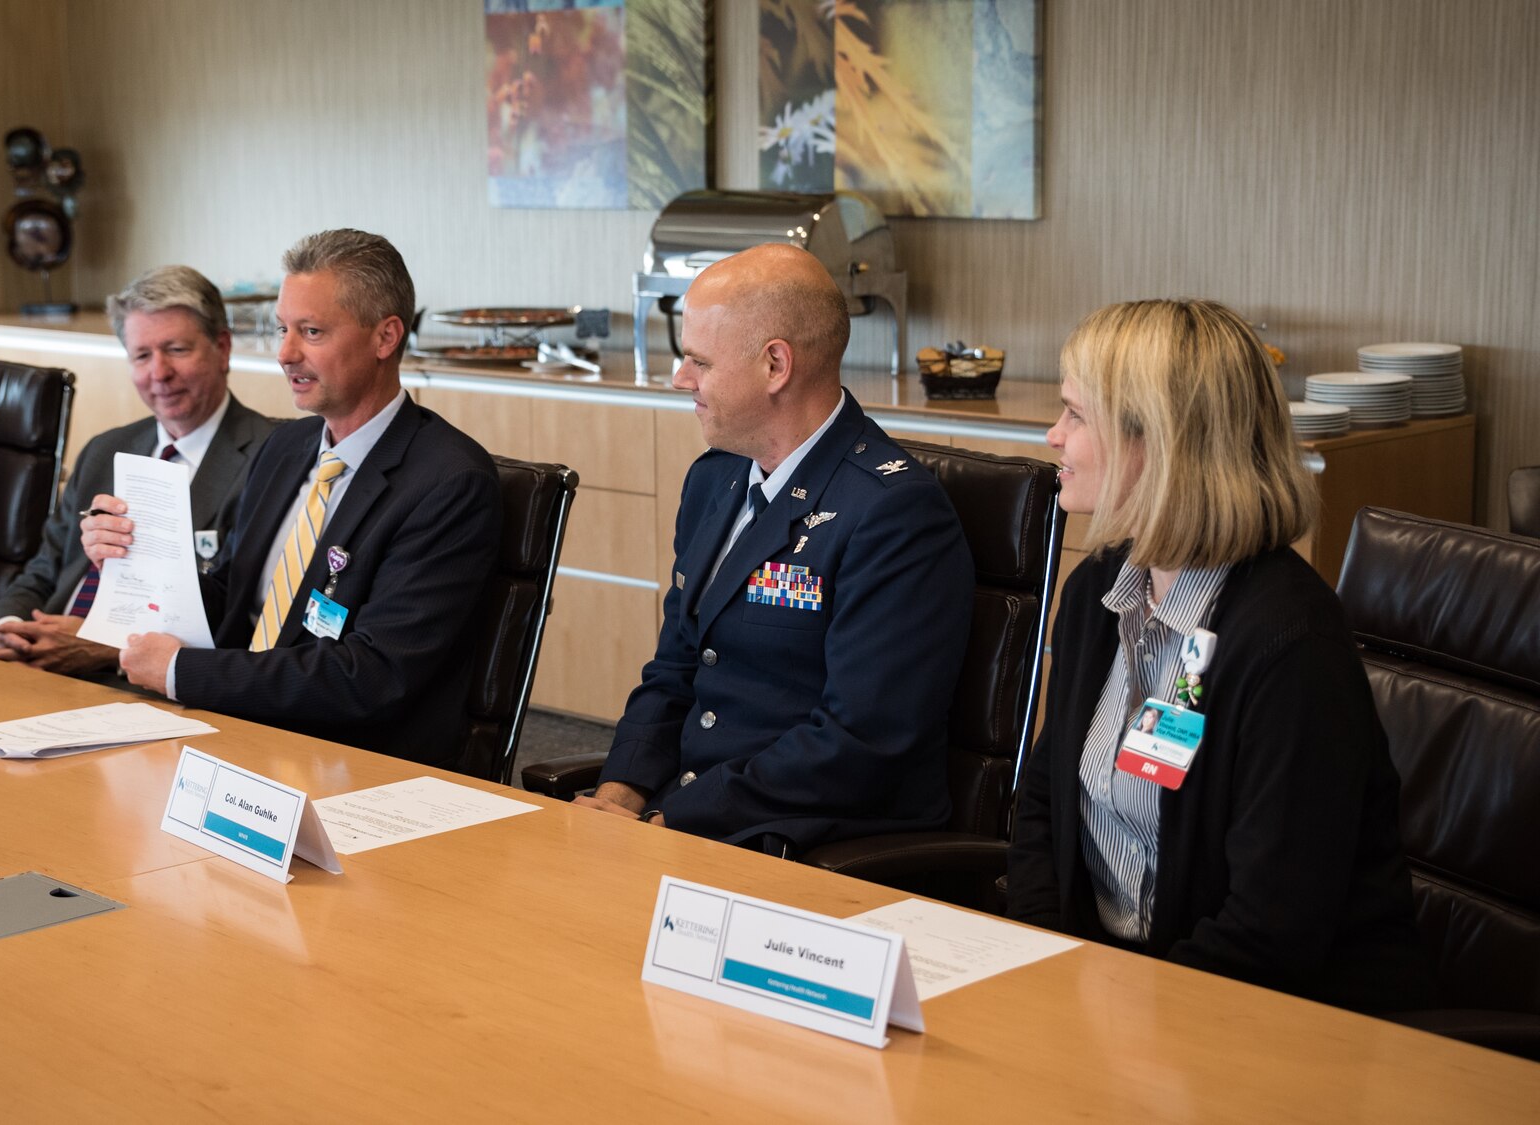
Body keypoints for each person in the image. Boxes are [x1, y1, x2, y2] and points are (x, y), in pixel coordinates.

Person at [1006, 298, 1438, 1014]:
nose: (1054, 436)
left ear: (1160, 443)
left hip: (1282, 1031)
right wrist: (1046, 974)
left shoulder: (1290, 645)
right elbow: (1043, 806)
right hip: (1119, 1007)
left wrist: (1117, 1018)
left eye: (1076, 414)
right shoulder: (1100, 591)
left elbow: (1272, 931)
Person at [573, 244, 973, 853]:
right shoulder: (715, 479)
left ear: (775, 366)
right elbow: (677, 667)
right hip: (692, 819)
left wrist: (669, 822)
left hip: (800, 839)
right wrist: (620, 792)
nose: (681, 379)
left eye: (698, 360)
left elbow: (859, 742)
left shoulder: (892, 512)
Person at [79, 230, 500, 767]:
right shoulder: (286, 446)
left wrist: (182, 672)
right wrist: (127, 561)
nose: (285, 353)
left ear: (386, 336)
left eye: (312, 331)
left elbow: (370, 678)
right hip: (230, 731)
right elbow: (230, 598)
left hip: (349, 761)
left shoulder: (449, 483)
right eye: (283, 329)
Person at [0, 264, 280, 680]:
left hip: (140, 687)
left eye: (177, 350)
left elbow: (243, 624)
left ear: (222, 348)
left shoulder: (271, 458)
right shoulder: (106, 449)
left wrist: (107, 647)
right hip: (36, 668)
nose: (159, 373)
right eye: (142, 355)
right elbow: (44, 569)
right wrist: (9, 630)